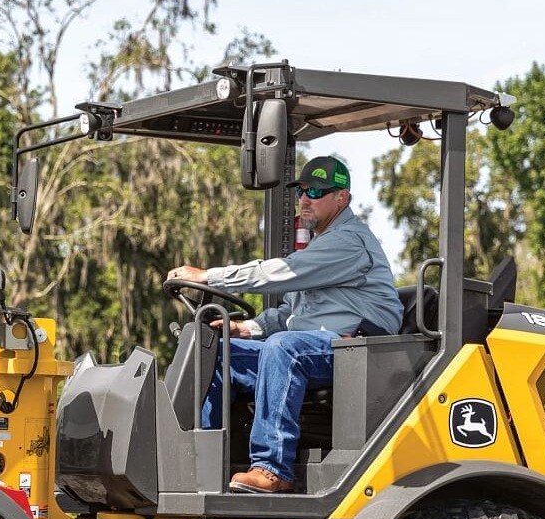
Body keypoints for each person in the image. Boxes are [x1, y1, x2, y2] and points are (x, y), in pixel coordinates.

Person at [166, 155, 401, 493]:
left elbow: (279, 273)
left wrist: (210, 277)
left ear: (341, 198)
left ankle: (272, 468)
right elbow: (290, 315)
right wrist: (244, 329)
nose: (306, 199)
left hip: (358, 350)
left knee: (283, 348)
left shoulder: (349, 241)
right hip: (315, 346)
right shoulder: (320, 245)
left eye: (317, 192)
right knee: (216, 353)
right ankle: (197, 462)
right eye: (303, 191)